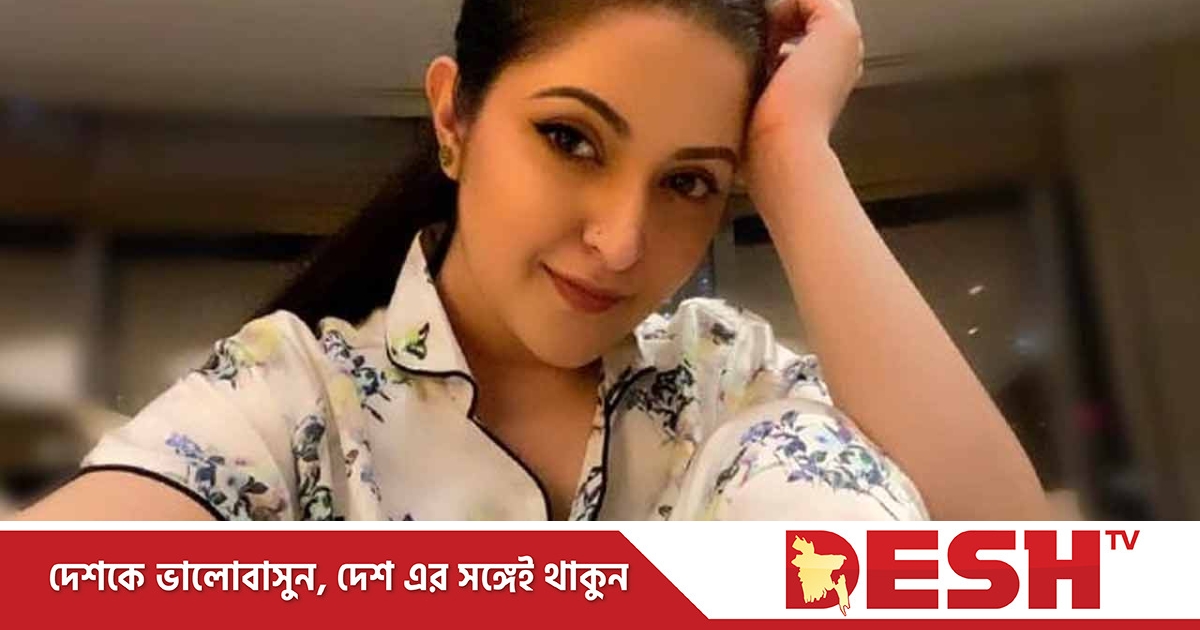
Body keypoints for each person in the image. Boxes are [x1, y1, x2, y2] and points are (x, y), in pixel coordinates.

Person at [16, 0, 1047, 522]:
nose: (623, 241)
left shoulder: (730, 387)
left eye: (690, 181)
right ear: (453, 119)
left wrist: (790, 158)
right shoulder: (293, 402)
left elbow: (1013, 568)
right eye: (570, 139)